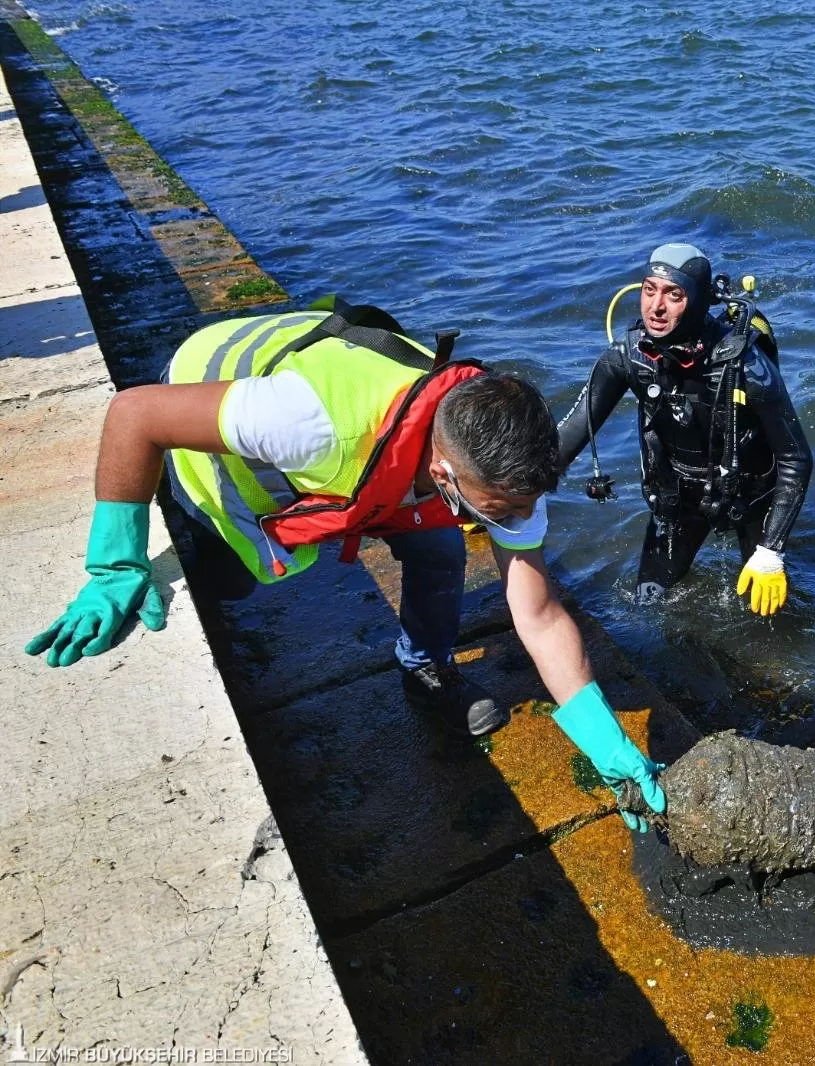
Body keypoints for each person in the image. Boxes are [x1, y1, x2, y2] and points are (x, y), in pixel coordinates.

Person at [24, 297, 664, 829]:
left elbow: (540, 614)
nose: (517, 524)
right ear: (444, 472)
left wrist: (609, 746)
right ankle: (182, 531)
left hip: (377, 442)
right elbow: (131, 413)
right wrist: (116, 566)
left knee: (440, 547)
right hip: (213, 388)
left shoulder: (507, 468)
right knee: (231, 582)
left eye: (523, 508)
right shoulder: (304, 423)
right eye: (500, 511)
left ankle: (425, 670)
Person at [557, 243, 812, 615]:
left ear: (696, 301)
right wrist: (501, 494)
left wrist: (771, 551)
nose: (655, 308)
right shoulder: (628, 355)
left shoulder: (745, 365)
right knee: (647, 603)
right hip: (677, 496)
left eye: (673, 295)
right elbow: (572, 432)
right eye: (649, 290)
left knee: (767, 616)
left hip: (748, 495)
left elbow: (795, 458)